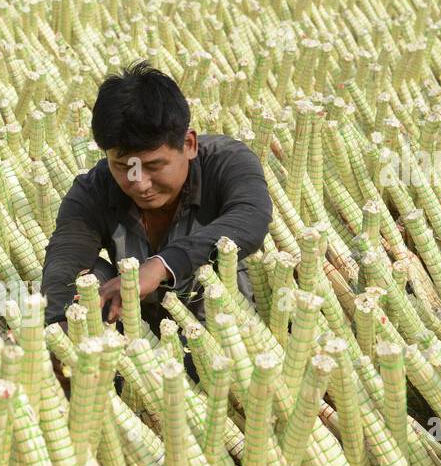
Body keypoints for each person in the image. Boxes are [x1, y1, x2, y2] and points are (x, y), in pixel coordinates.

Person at [41, 61, 272, 333]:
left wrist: (162, 265)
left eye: (153, 166)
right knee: (86, 279)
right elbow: (66, 256)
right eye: (123, 167)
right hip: (140, 333)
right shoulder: (94, 188)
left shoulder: (227, 161)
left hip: (229, 328)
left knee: (214, 274)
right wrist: (60, 324)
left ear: (188, 145)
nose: (139, 184)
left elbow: (251, 216)